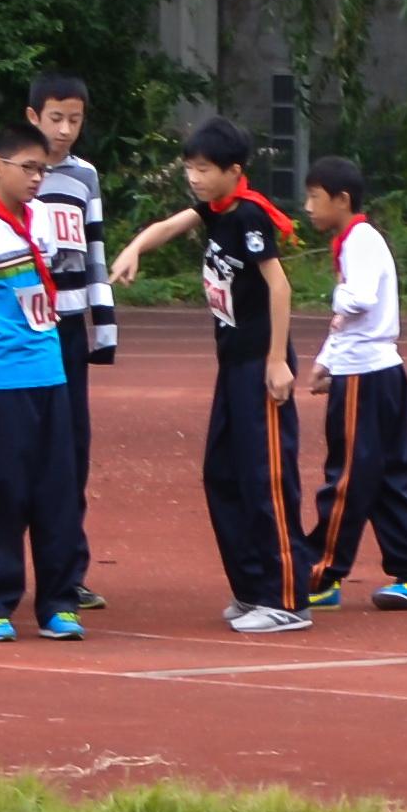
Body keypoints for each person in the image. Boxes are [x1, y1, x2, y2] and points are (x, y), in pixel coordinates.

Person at [111, 117, 305, 631]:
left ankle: (286, 598)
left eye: (203, 169)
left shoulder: (249, 218)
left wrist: (278, 361)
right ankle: (251, 589)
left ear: (233, 171)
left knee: (265, 479)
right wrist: (133, 248)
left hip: (259, 364)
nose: (193, 177)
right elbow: (169, 227)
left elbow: (280, 289)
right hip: (231, 364)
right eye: (189, 168)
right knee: (222, 474)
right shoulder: (215, 210)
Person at [297, 156, 407, 615]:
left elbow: (357, 300)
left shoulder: (358, 240)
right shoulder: (357, 239)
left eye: (314, 197)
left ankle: (319, 574)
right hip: (383, 372)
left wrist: (337, 299)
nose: (307, 207)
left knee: (347, 478)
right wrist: (326, 361)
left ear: (341, 200)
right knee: (390, 478)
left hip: (365, 379)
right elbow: (349, 323)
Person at [0, 128, 82, 644]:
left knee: (57, 493)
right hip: (0, 377)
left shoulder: (43, 221)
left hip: (49, 372)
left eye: (41, 170)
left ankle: (58, 602)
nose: (35, 178)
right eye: (27, 167)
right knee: (2, 491)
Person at [22, 73, 115, 614]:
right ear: (34, 116)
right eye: (55, 118)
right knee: (18, 454)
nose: (65, 129)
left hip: (68, 331)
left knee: (70, 450)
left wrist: (102, 331)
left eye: (75, 119)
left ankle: (68, 570)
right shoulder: (13, 171)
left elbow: (96, 251)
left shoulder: (85, 177)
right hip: (22, 330)